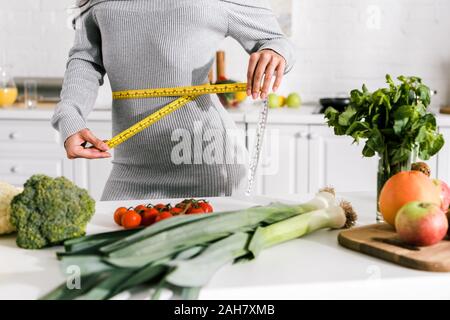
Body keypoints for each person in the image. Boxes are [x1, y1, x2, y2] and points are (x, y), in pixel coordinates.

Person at [51, 0, 295, 200]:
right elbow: (86, 59)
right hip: (131, 167)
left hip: (206, 162)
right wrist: (70, 116)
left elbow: (276, 40)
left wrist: (274, 53)